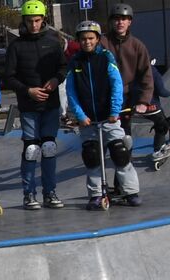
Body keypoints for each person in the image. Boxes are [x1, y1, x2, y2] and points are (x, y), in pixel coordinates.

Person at [68, 20, 140, 207]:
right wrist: (80, 115)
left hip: (109, 117)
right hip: (88, 120)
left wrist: (114, 110)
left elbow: (116, 85)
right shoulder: (76, 62)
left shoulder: (106, 58)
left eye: (91, 38)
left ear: (98, 39)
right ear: (79, 40)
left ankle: (130, 191)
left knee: (119, 152)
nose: (87, 42)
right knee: (91, 156)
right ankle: (96, 194)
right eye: (83, 39)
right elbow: (71, 92)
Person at [3, 0, 68, 209]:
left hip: (50, 105)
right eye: (30, 21)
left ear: (44, 20)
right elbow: (9, 78)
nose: (33, 25)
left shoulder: (53, 42)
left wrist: (56, 80)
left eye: (37, 20)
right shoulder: (16, 46)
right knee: (32, 149)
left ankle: (49, 192)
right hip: (29, 106)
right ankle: (29, 194)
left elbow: (63, 68)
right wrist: (27, 91)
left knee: (48, 147)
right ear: (24, 21)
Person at [103, 4, 170, 162]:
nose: (120, 22)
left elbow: (147, 75)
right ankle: (125, 162)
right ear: (111, 22)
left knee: (161, 122)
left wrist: (143, 101)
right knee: (124, 135)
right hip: (115, 97)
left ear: (130, 22)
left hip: (136, 93)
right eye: (116, 19)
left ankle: (158, 149)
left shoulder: (137, 46)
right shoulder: (103, 43)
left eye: (124, 19)